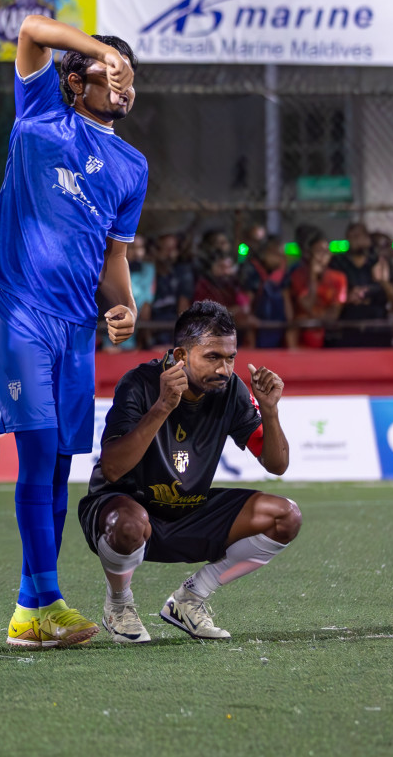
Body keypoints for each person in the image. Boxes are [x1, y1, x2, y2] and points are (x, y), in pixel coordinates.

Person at [0, 13, 145, 648]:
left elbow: (114, 258)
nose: (125, 87)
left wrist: (124, 307)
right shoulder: (42, 109)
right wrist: (99, 47)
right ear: (76, 81)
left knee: (61, 465)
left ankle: (29, 610)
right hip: (19, 306)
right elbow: (30, 28)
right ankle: (49, 599)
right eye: (113, 75)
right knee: (39, 451)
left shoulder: (132, 166)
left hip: (78, 326)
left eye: (132, 79)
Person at [80, 301, 298, 642]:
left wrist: (269, 411)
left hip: (187, 510)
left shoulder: (229, 390)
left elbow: (277, 464)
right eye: (213, 357)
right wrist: (163, 406)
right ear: (181, 355)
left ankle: (190, 600)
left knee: (285, 517)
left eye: (230, 358)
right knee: (129, 524)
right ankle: (119, 605)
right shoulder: (140, 383)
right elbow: (111, 467)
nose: (225, 369)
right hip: (123, 511)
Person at [329, 222, 393, 347]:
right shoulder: (338, 263)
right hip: (348, 329)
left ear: (368, 238)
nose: (358, 240)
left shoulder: (380, 262)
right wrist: (346, 298)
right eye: (353, 236)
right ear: (347, 238)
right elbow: (327, 296)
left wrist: (382, 281)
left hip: (377, 328)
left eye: (361, 236)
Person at [286, 235, 346, 349]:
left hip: (327, 336)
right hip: (301, 337)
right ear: (309, 254)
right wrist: (312, 277)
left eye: (326, 252)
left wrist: (313, 319)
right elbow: (307, 305)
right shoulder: (298, 276)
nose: (322, 257)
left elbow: (334, 314)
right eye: (318, 252)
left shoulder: (339, 278)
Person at [105, 234, 153, 352]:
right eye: (132, 248)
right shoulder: (109, 270)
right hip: (110, 335)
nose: (137, 253)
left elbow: (146, 304)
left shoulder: (149, 269)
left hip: (137, 330)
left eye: (140, 248)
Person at [240, 235, 289, 348]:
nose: (282, 259)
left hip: (274, 329)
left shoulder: (278, 275)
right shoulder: (251, 271)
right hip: (255, 332)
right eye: (278, 255)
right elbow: (246, 305)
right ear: (266, 253)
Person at [147, 233, 193, 348]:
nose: (169, 254)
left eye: (173, 249)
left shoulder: (182, 271)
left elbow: (184, 305)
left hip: (173, 320)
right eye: (165, 249)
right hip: (152, 320)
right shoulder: (149, 270)